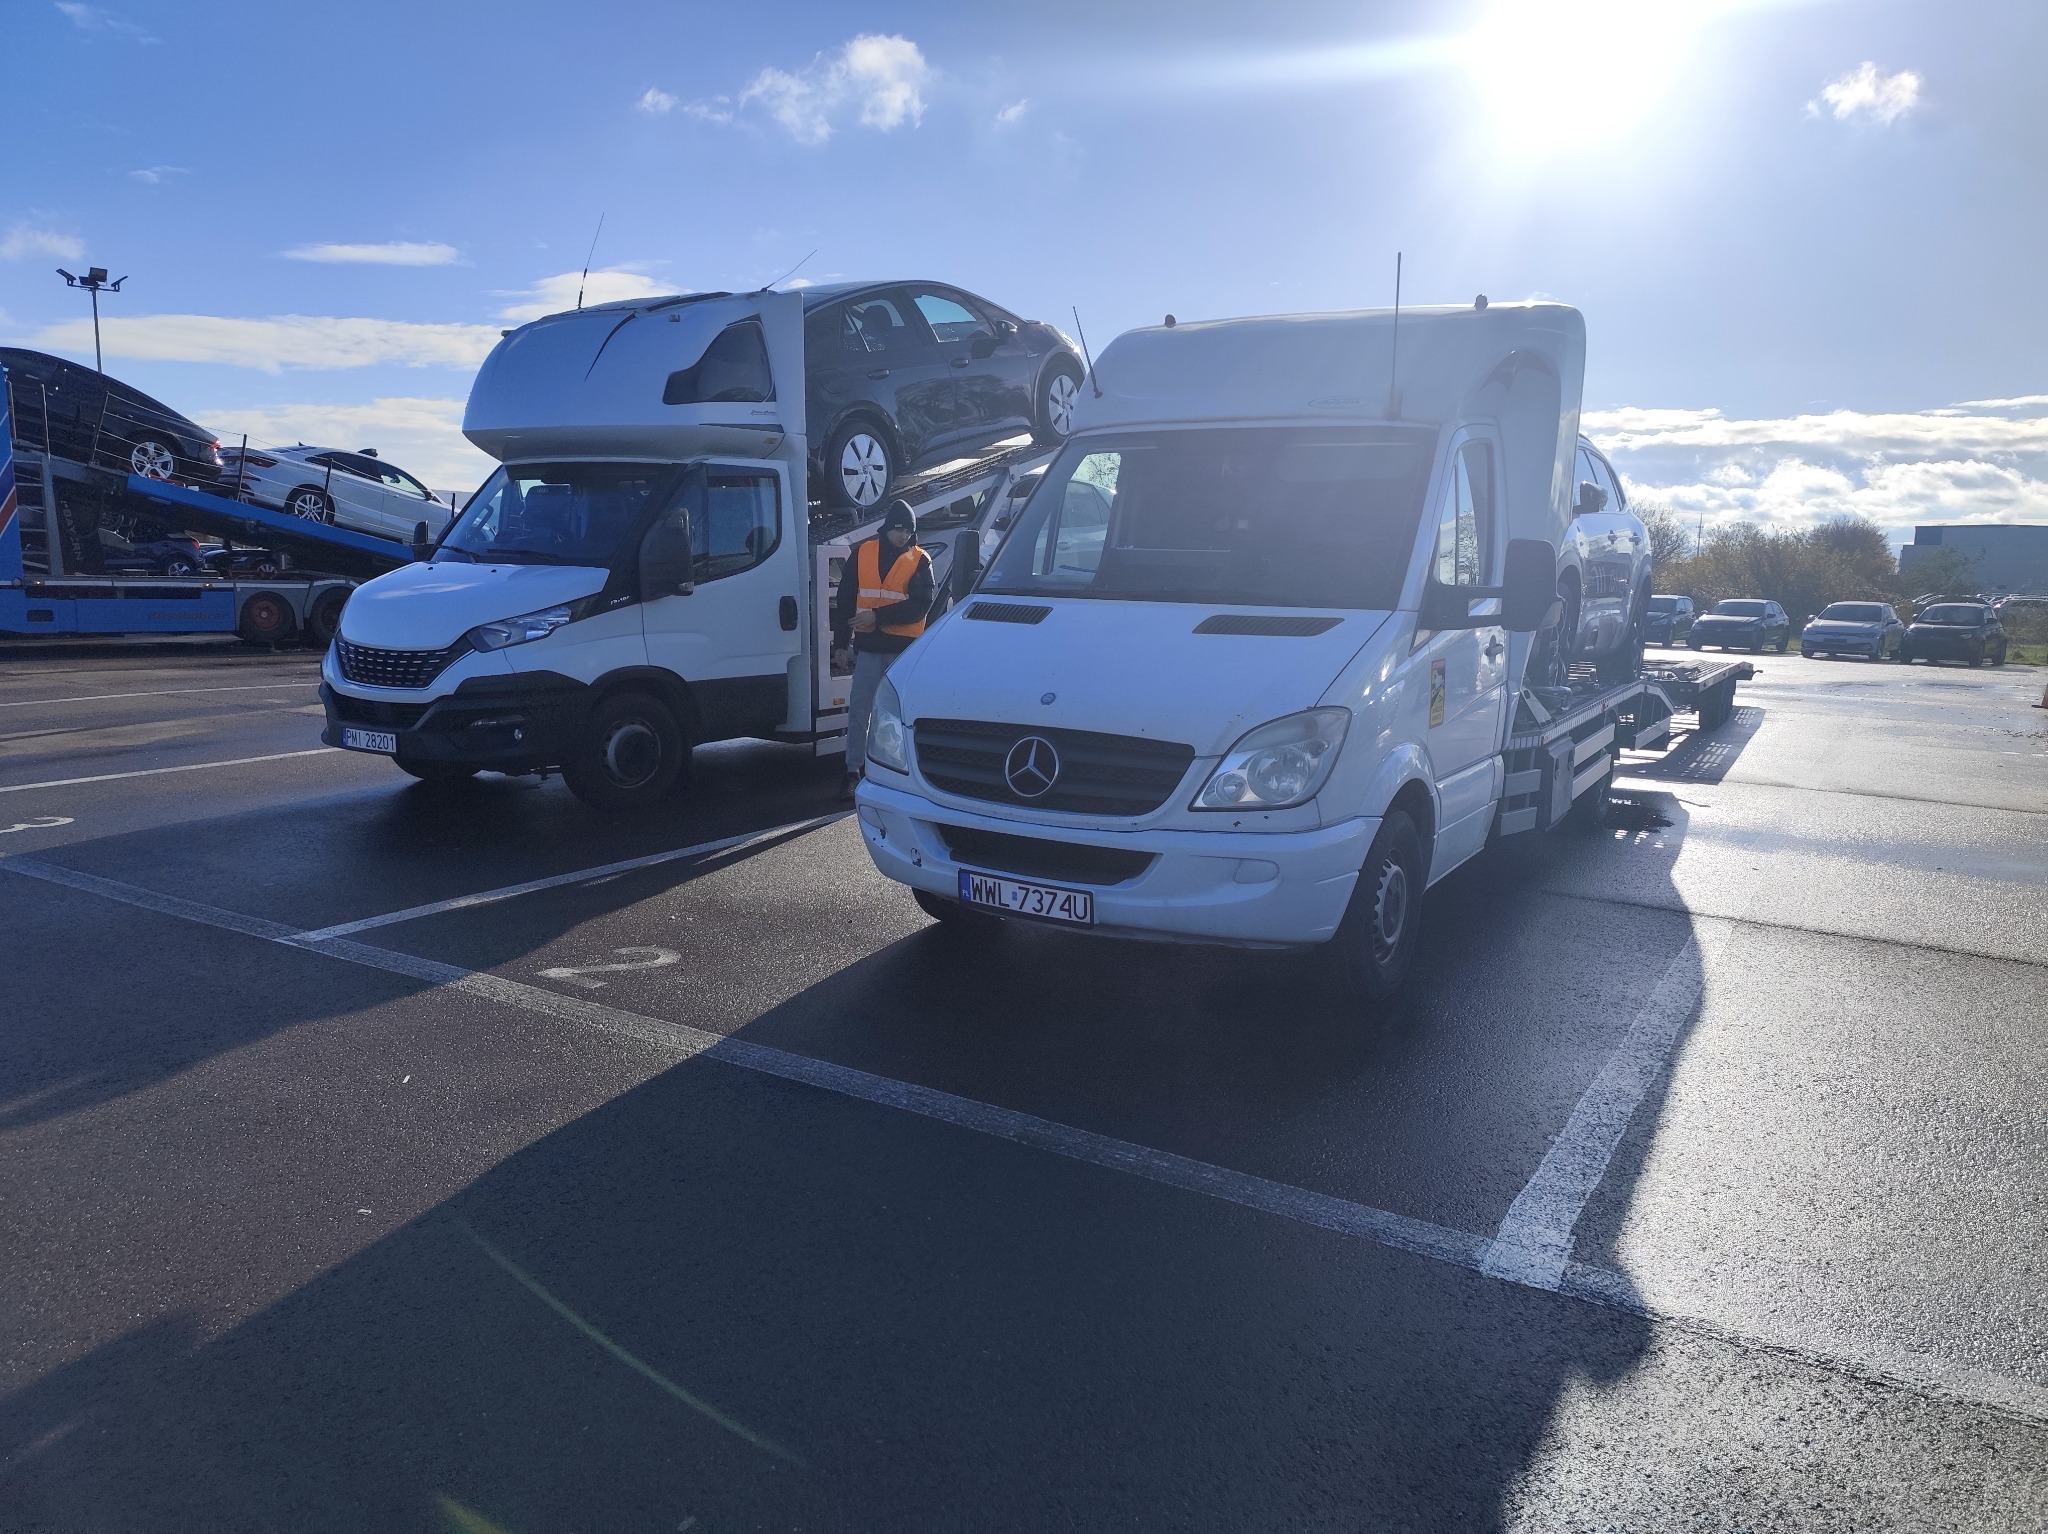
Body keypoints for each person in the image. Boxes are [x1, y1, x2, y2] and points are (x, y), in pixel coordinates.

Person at [832, 498, 934, 798]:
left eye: (909, 531)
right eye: (900, 529)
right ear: (888, 528)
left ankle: (895, 775)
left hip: (903, 652)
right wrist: (840, 644)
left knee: (897, 717)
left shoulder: (920, 559)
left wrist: (876, 617)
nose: (905, 535)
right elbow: (846, 598)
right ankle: (853, 772)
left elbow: (920, 606)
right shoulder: (863, 553)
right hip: (870, 648)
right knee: (859, 711)